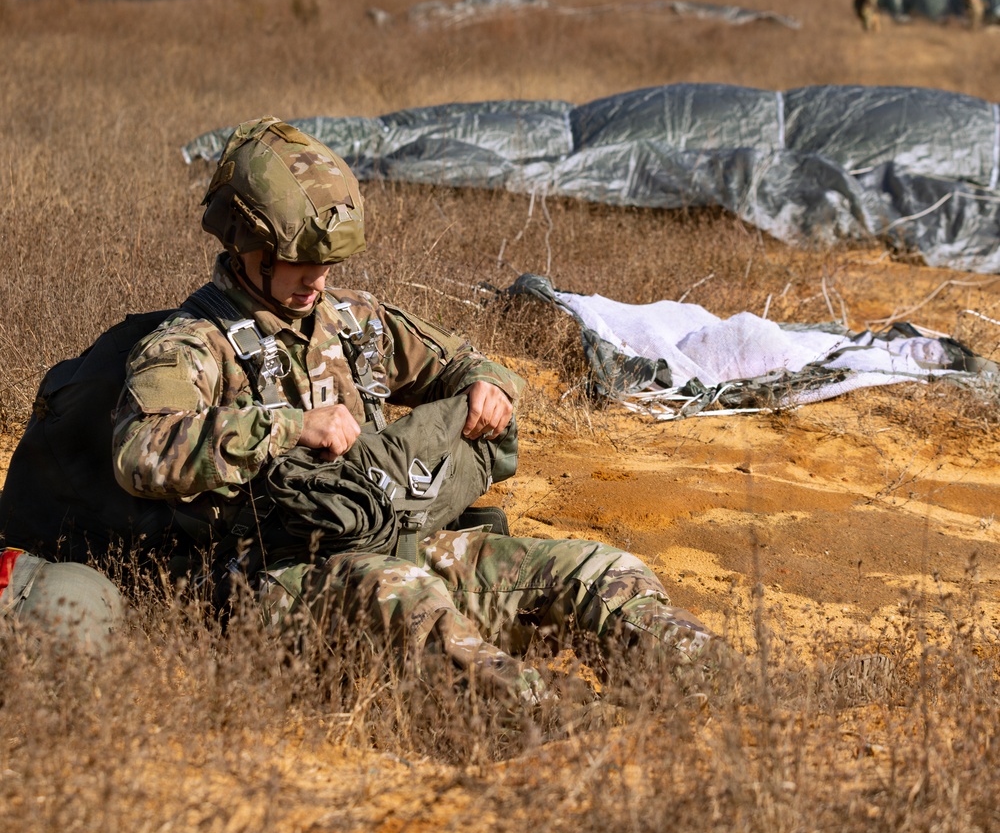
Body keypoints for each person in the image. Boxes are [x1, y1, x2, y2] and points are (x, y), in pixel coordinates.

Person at [103, 117, 714, 704]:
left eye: (328, 264)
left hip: (396, 541)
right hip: (274, 578)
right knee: (418, 608)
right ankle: (562, 723)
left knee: (593, 572)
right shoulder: (189, 343)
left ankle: (708, 681)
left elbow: (465, 363)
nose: (317, 280)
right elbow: (141, 452)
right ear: (247, 245)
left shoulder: (353, 320)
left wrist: (486, 387)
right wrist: (287, 426)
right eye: (300, 262)